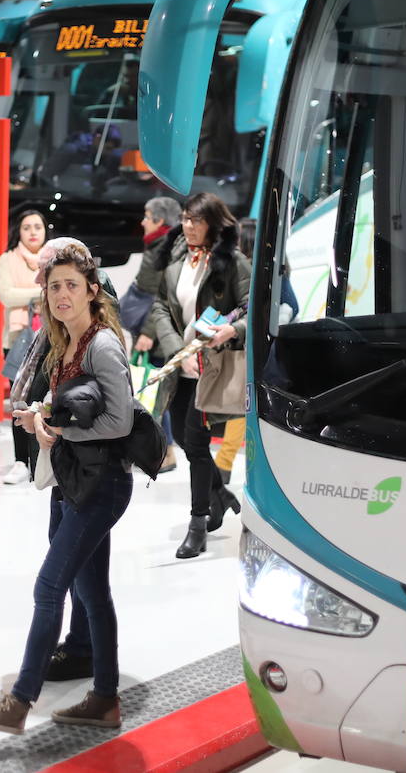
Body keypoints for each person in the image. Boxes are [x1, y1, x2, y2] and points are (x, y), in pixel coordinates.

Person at [0, 240, 134, 734]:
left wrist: (62, 430)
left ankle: (20, 702)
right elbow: (76, 410)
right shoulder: (66, 341)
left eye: (71, 286)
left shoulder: (102, 344)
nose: (61, 295)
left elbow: (120, 421)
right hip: (73, 478)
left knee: (49, 587)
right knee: (92, 591)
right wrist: (43, 419)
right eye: (54, 286)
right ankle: (105, 699)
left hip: (99, 485)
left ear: (91, 291)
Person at [144, 192, 247, 559]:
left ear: (214, 224)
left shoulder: (233, 263)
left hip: (212, 368)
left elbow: (252, 309)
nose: (188, 226)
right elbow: (159, 307)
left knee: (195, 441)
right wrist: (176, 351)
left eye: (196, 220)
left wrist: (231, 332)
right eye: (185, 219)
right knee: (189, 445)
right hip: (180, 367)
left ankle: (197, 522)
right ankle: (220, 494)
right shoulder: (176, 261)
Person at [0, 208, 49, 484]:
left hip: (52, 339)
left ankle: (42, 459)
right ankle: (20, 460)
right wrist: (41, 292)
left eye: (37, 227)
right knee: (19, 401)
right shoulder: (8, 259)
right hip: (19, 340)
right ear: (18, 231)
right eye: (27, 227)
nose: (32, 232)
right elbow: (6, 294)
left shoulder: (52, 258)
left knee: (45, 400)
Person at [131, 197, 181, 472]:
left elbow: (160, 295)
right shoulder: (166, 245)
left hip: (156, 335)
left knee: (155, 394)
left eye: (147, 216)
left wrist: (148, 332)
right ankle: (161, 452)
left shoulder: (162, 248)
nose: (143, 221)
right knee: (154, 393)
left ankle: (166, 453)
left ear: (160, 220)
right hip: (160, 332)